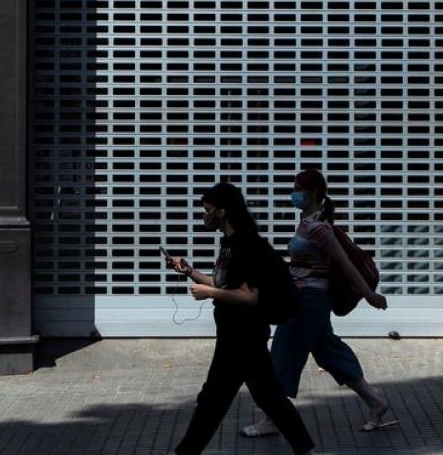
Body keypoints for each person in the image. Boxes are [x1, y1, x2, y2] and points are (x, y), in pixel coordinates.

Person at [165, 182, 316, 455]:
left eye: (208, 210)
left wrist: (209, 292)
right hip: (236, 334)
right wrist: (190, 272)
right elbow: (225, 284)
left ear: (223, 211)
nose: (205, 215)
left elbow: (249, 297)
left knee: (213, 400)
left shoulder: (246, 246)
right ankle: (306, 451)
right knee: (269, 399)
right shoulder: (229, 245)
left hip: (242, 335)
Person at [242, 169, 392, 438]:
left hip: (308, 302)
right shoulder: (307, 221)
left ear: (311, 192)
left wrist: (369, 295)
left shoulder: (319, 228)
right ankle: (376, 402)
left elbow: (345, 265)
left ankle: (272, 419)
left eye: (297, 188)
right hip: (308, 300)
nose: (293, 193)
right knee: (330, 353)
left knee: (282, 354)